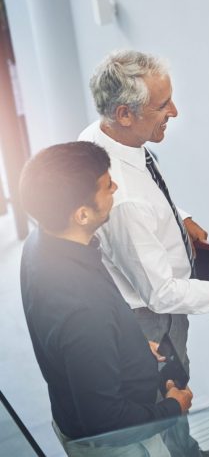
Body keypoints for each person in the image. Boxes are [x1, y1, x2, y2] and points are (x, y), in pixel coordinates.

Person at [79, 50, 209, 457]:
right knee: (169, 395)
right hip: (151, 321)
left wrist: (181, 217)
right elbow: (163, 295)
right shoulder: (125, 202)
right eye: (162, 105)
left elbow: (147, 190)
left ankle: (187, 452)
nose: (174, 111)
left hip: (149, 301)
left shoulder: (104, 137)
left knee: (172, 400)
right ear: (124, 113)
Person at [19, 141, 193, 457]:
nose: (115, 186)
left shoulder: (40, 243)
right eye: (106, 185)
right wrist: (172, 408)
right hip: (123, 445)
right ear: (82, 214)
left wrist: (132, 346)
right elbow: (106, 421)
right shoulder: (83, 309)